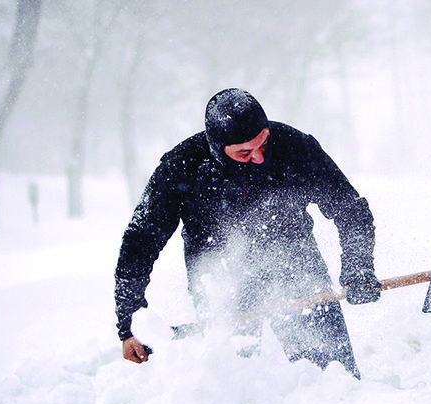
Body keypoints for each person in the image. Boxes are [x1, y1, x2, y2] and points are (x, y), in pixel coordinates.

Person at [114, 88, 381, 379]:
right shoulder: (182, 168)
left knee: (334, 377)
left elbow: (351, 210)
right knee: (236, 389)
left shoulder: (295, 147)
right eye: (244, 153)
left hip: (298, 271)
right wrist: (129, 323)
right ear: (218, 148)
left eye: (263, 145)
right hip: (222, 284)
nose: (258, 158)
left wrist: (359, 266)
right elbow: (140, 241)